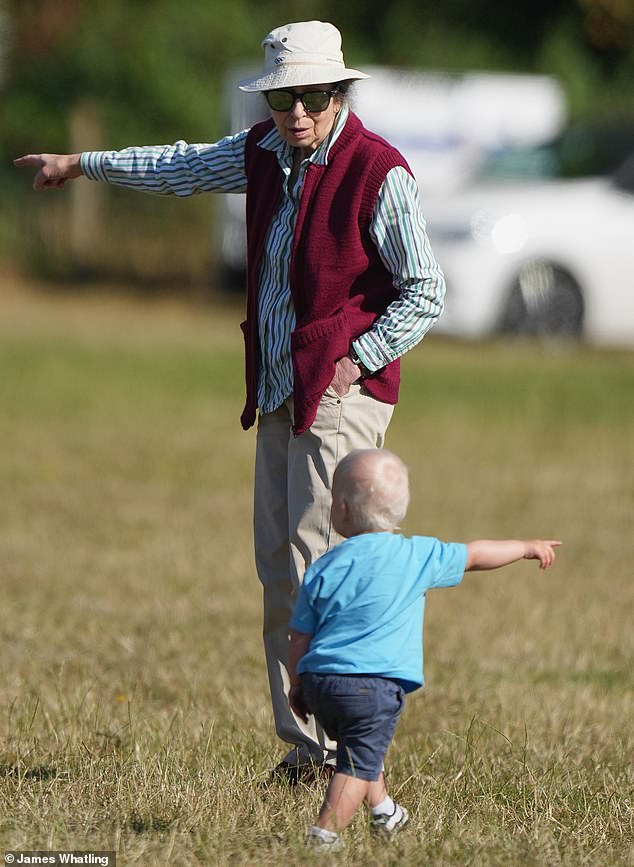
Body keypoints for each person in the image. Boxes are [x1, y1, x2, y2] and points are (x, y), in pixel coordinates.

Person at [14, 21, 447, 783]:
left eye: (313, 96)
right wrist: (82, 164)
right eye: (284, 97)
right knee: (278, 572)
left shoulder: (380, 171)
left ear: (340, 93)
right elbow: (179, 168)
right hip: (280, 389)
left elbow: (426, 290)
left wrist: (361, 357)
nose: (298, 112)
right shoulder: (264, 152)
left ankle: (347, 753)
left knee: (322, 571)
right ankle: (305, 746)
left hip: (340, 396)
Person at [288, 448, 561, 851]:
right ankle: (323, 837)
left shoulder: (325, 566)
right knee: (356, 763)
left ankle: (383, 811)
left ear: (341, 510)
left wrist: (297, 685)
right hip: (373, 687)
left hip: (322, 683)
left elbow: (299, 635)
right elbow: (476, 555)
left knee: (360, 745)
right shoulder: (416, 555)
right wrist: (524, 547)